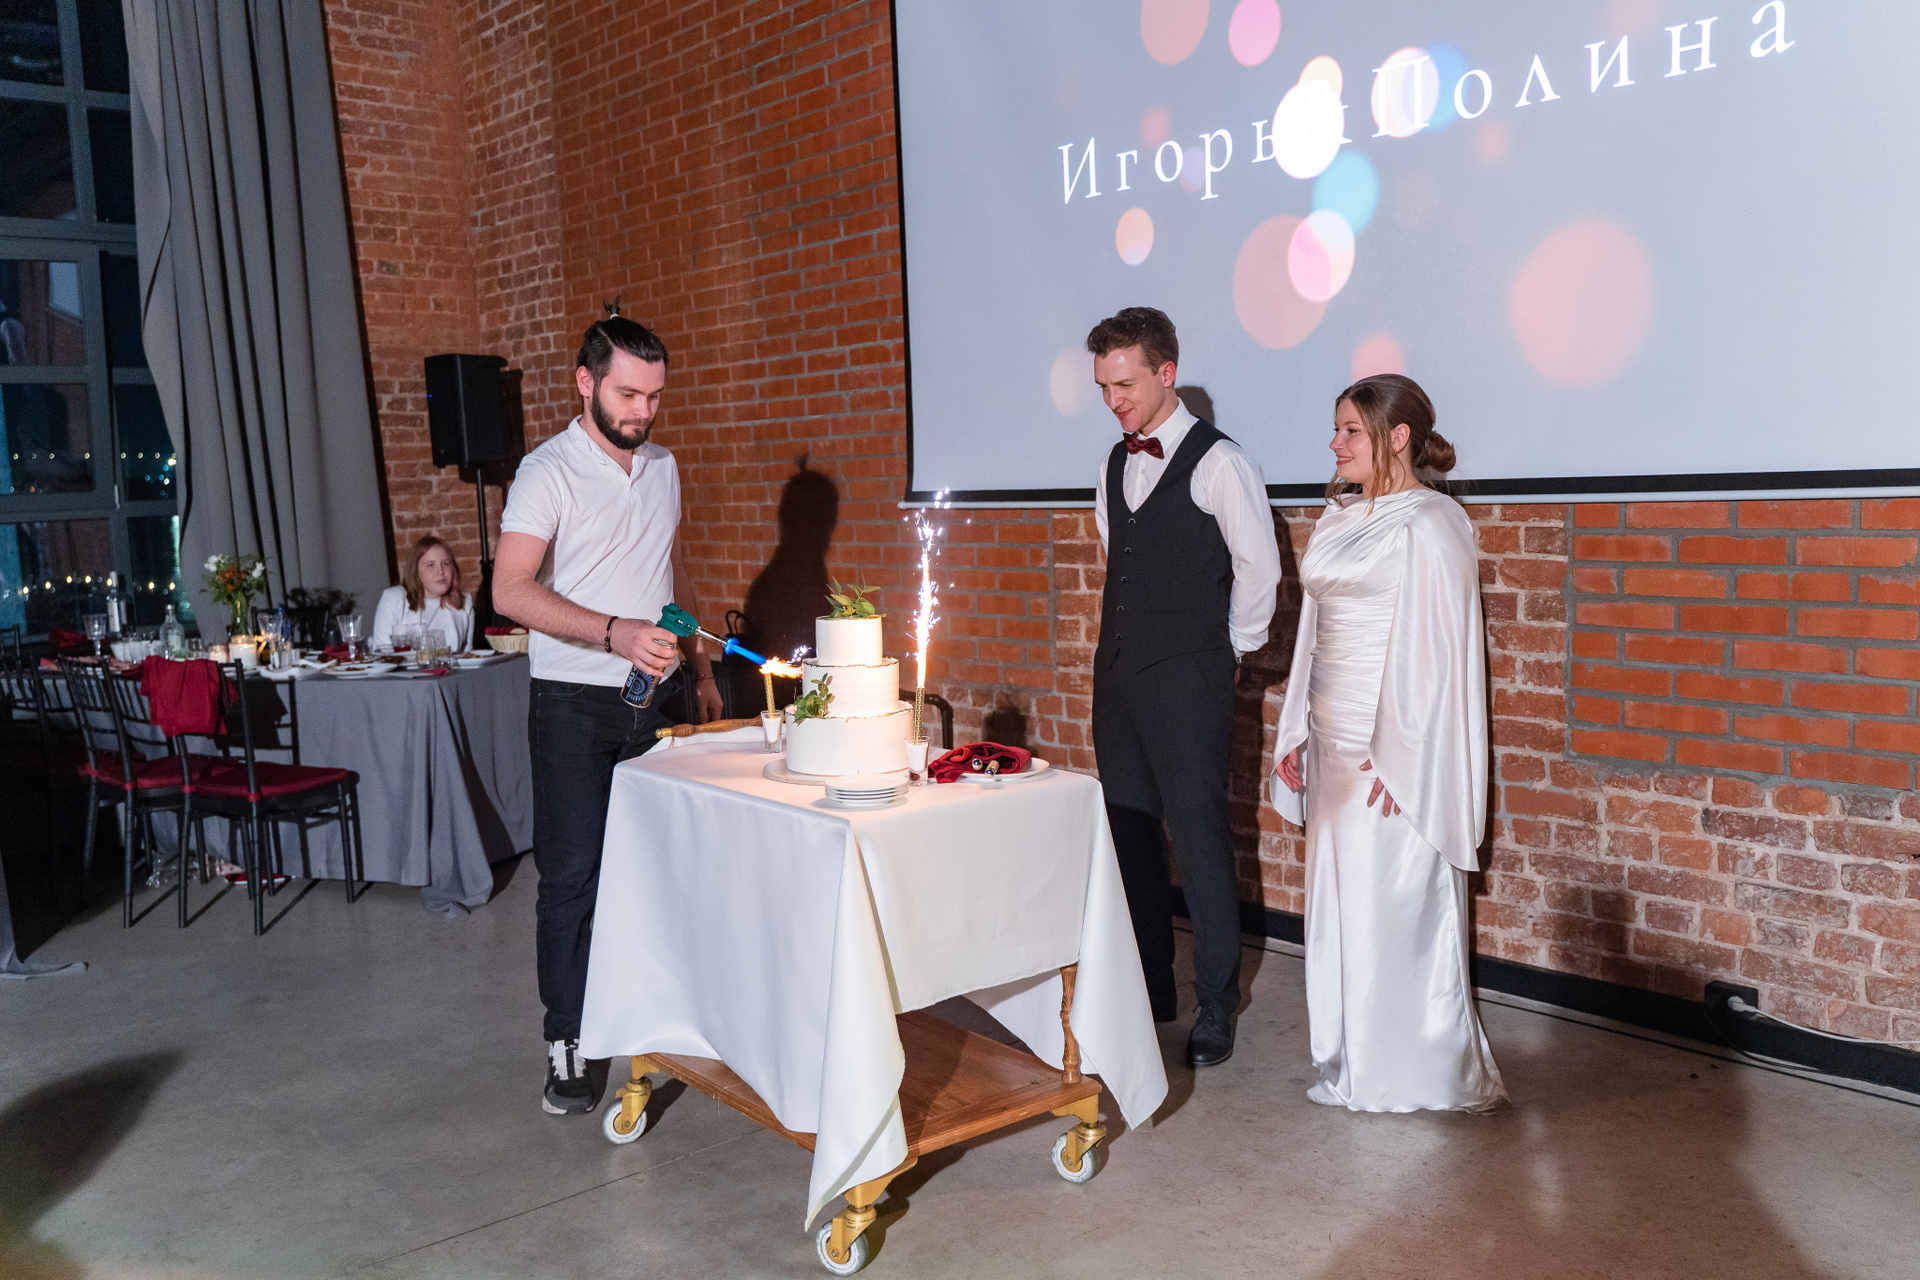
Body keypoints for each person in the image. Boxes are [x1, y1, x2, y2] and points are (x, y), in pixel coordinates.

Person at [493, 315, 725, 1117]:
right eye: (628, 394)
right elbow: (510, 590)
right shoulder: (546, 471)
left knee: (656, 868)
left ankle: (651, 1014)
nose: (643, 412)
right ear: (585, 382)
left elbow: (670, 567)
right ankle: (568, 1036)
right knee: (573, 876)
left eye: (655, 396)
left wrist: (699, 662)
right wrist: (613, 632)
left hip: (658, 696)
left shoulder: (662, 465)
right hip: (573, 702)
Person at [1270, 374, 1506, 1113]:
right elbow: (1315, 631)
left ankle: (1412, 1072)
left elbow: (1443, 656)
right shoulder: (1338, 516)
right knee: (1339, 909)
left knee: (1392, 912)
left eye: (1351, 430)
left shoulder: (1432, 523)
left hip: (1389, 753)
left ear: (1396, 437)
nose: (1335, 443)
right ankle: (1348, 1062)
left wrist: (1408, 756)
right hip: (1329, 744)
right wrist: (1296, 730)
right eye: (1336, 428)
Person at [1086, 306, 1281, 1069]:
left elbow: (1259, 570)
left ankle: (1217, 1005)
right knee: (1131, 834)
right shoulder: (1113, 461)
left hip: (1189, 677)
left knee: (1198, 838)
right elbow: (1121, 553)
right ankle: (1151, 988)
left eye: (1125, 385)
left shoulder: (1221, 462)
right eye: (1104, 387)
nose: (1114, 401)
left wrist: (1230, 649)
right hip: (1119, 677)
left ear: (1166, 373)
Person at [370, 535, 473, 651]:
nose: (440, 571)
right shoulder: (394, 598)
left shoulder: (464, 601)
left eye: (445, 563)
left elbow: (468, 656)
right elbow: (383, 653)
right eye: (430, 565)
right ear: (416, 570)